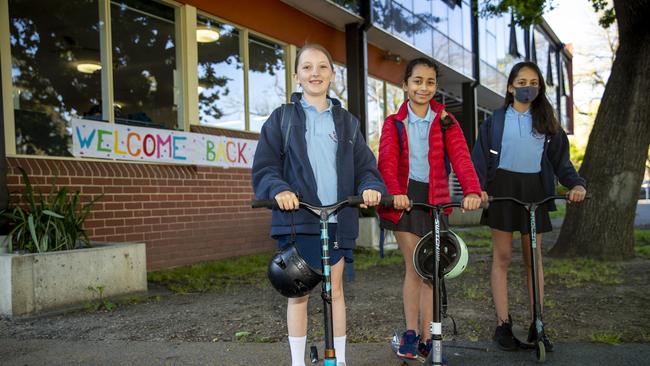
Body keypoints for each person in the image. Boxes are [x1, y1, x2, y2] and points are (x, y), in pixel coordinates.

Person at [251, 43, 386, 366]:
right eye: (307, 67)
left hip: (338, 218)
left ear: (332, 74)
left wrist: (370, 187)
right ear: (297, 75)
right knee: (298, 294)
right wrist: (279, 189)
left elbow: (366, 166)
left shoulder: (347, 123)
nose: (315, 73)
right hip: (299, 218)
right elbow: (266, 166)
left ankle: (337, 360)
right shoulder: (282, 119)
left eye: (322, 67)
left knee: (335, 291)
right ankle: (298, 362)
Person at [471, 61, 587, 352]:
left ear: (540, 87)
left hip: (534, 190)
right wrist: (478, 189)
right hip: (502, 191)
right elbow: (478, 160)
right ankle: (503, 325)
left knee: (532, 257)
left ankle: (538, 323)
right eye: (521, 82)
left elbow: (562, 163)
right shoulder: (495, 121)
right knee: (502, 256)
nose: (528, 87)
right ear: (511, 87)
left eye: (533, 82)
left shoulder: (548, 122)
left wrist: (576, 184)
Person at [377, 57, 482, 359]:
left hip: (435, 199)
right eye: (417, 81)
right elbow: (386, 162)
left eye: (430, 82)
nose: (424, 87)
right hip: (405, 201)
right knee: (415, 268)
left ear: (436, 86)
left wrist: (472, 189)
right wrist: (395, 193)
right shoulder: (394, 123)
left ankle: (429, 339)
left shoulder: (446, 119)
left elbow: (461, 156)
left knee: (432, 273)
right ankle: (410, 334)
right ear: (406, 85)